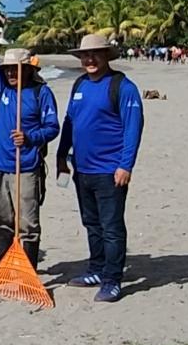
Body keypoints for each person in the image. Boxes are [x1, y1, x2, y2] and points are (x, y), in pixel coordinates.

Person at [0, 0, 60, 275]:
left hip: (27, 166)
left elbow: (53, 127)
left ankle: (27, 273)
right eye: (7, 69)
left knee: (28, 224)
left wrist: (30, 137)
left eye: (15, 69)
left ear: (29, 70)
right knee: (1, 220)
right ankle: (2, 269)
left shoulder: (41, 93)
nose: (9, 73)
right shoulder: (4, 88)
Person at [57, 34, 145, 302]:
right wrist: (62, 155)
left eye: (95, 54)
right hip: (82, 170)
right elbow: (70, 123)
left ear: (107, 56)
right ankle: (96, 269)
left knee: (111, 227)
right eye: (85, 55)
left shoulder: (123, 87)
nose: (90, 59)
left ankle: (112, 279)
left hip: (110, 171)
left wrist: (125, 165)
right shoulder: (79, 84)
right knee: (91, 223)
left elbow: (133, 129)